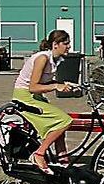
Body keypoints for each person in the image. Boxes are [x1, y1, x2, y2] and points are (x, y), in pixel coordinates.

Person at [12, 29, 75, 174]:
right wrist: (55, 86)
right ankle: (39, 154)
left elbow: (43, 81)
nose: (69, 46)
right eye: (66, 43)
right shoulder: (42, 58)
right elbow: (33, 87)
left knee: (59, 129)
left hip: (35, 97)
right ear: (55, 44)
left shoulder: (54, 59)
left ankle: (63, 163)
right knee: (65, 121)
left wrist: (63, 84)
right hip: (25, 97)